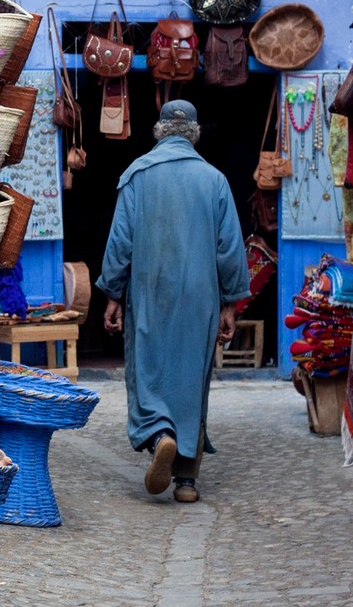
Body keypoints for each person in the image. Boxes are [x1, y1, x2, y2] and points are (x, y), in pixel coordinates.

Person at [98, 99, 251, 503]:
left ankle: (161, 435)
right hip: (201, 298)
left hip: (149, 293)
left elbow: (120, 244)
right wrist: (230, 303)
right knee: (191, 381)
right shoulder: (215, 180)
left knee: (149, 370)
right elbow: (230, 249)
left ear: (159, 130)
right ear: (194, 133)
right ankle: (186, 481)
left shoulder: (136, 176)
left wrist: (113, 292)